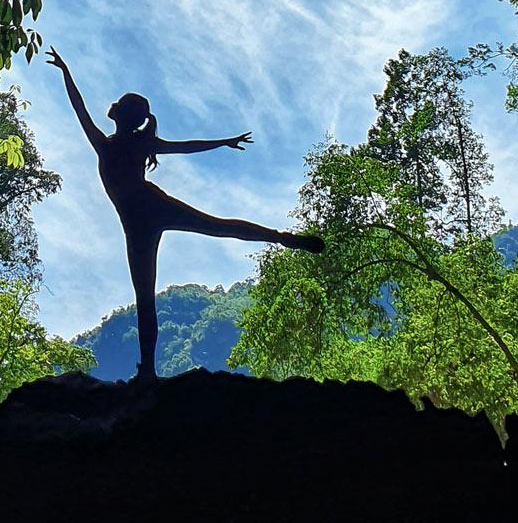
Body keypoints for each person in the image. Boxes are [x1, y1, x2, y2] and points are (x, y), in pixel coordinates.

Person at [47, 48, 324, 380]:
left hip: (139, 220)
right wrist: (224, 142)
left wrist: (66, 72)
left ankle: (147, 371)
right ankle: (280, 238)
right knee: (216, 228)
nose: (113, 105)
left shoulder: (109, 145)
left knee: (146, 295)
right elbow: (186, 145)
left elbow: (82, 110)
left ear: (122, 115)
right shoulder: (132, 144)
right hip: (149, 211)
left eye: (119, 103)